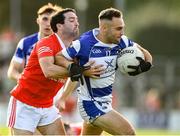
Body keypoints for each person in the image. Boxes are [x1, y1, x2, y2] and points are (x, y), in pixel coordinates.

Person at [56, 7, 153, 135]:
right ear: (104, 28)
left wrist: (146, 64)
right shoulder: (83, 44)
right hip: (91, 104)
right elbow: (59, 57)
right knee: (129, 133)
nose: (122, 32)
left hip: (105, 102)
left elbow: (143, 51)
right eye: (118, 29)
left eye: (122, 27)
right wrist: (77, 69)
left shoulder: (122, 41)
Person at [6, 8, 97, 135]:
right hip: (25, 104)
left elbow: (75, 75)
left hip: (47, 106)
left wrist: (64, 97)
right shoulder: (46, 43)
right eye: (72, 20)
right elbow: (48, 71)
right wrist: (78, 70)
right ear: (59, 26)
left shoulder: (75, 47)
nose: (77, 23)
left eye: (77, 20)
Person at [7, 3, 62, 81]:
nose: (48, 24)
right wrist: (21, 79)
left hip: (53, 91)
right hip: (30, 90)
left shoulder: (62, 44)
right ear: (38, 20)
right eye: (45, 19)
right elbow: (12, 70)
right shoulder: (25, 42)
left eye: (52, 20)